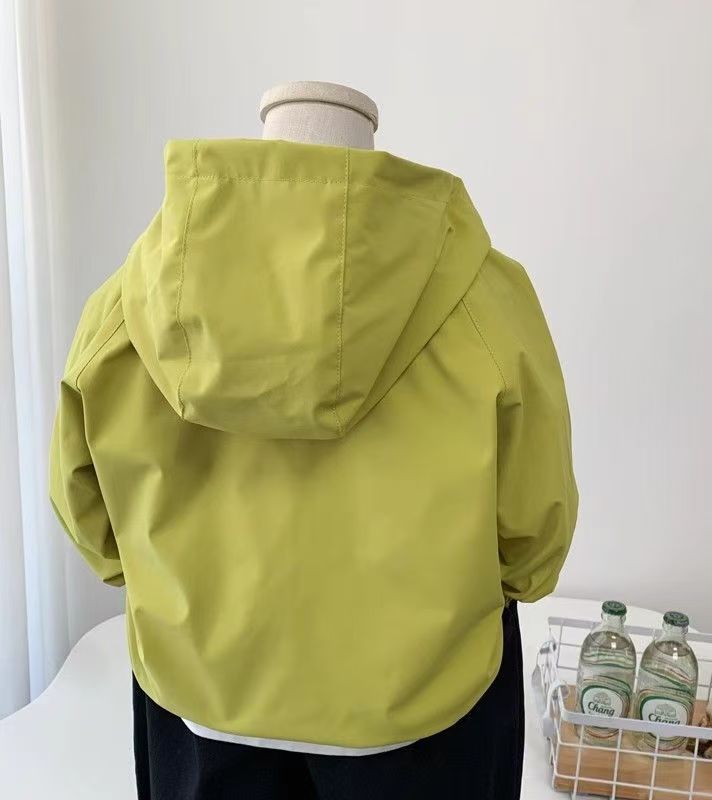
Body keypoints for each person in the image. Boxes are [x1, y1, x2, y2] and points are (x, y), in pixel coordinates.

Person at [50, 138, 578, 798]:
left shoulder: (127, 305)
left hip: (201, 696)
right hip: (425, 708)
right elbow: (533, 542)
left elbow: (92, 523)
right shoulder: (488, 302)